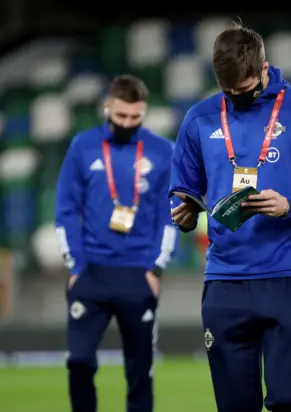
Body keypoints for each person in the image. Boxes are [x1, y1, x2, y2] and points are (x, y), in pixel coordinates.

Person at [168, 25, 291, 412]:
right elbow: (183, 190)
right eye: (229, 92)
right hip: (224, 282)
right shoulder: (199, 118)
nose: (238, 98)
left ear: (264, 68)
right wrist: (182, 213)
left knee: (287, 402)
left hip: (285, 275)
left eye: (245, 89)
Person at [55, 75, 177, 412]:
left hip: (138, 274)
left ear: (144, 111)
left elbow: (171, 215)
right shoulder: (83, 145)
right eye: (120, 116)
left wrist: (156, 268)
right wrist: (75, 266)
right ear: (108, 106)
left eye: (135, 117)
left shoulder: (164, 150)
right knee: (78, 361)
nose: (127, 123)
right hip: (91, 273)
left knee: (140, 372)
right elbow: (66, 209)